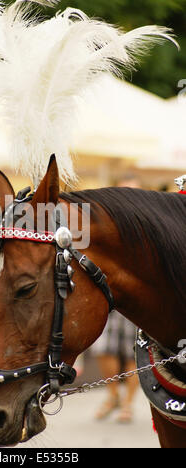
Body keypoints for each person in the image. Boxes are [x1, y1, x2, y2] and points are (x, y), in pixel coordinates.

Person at [91, 174, 141, 423]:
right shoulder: (107, 222)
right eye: (123, 192)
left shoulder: (145, 224)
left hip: (135, 298)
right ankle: (113, 396)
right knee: (103, 349)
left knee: (135, 354)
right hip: (109, 295)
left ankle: (128, 404)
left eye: (132, 192)